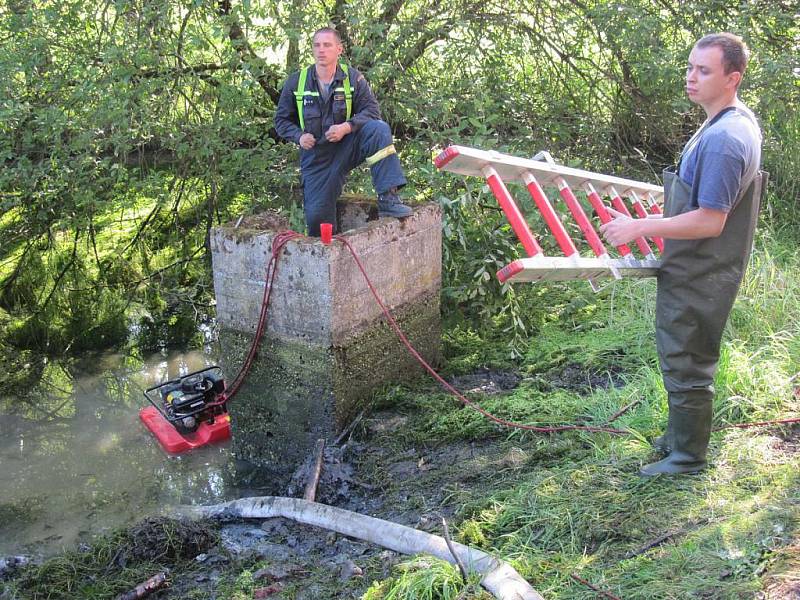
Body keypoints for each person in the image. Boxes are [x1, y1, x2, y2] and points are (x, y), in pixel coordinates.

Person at [600, 33, 764, 476]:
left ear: (733, 78)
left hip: (703, 268)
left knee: (688, 358)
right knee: (679, 351)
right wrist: (647, 217)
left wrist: (640, 226)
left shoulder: (727, 138)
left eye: (703, 70)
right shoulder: (722, 122)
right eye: (690, 67)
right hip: (695, 264)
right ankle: (678, 437)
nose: (691, 77)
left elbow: (711, 220)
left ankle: (688, 458)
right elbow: (696, 202)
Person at [274, 27, 412, 237]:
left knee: (378, 129)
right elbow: (281, 121)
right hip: (316, 158)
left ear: (339, 49)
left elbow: (373, 111)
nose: (321, 50)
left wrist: (346, 127)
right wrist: (299, 137)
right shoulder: (297, 82)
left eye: (327, 45)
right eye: (317, 45)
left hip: (347, 146)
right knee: (318, 224)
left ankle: (388, 198)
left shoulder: (353, 78)